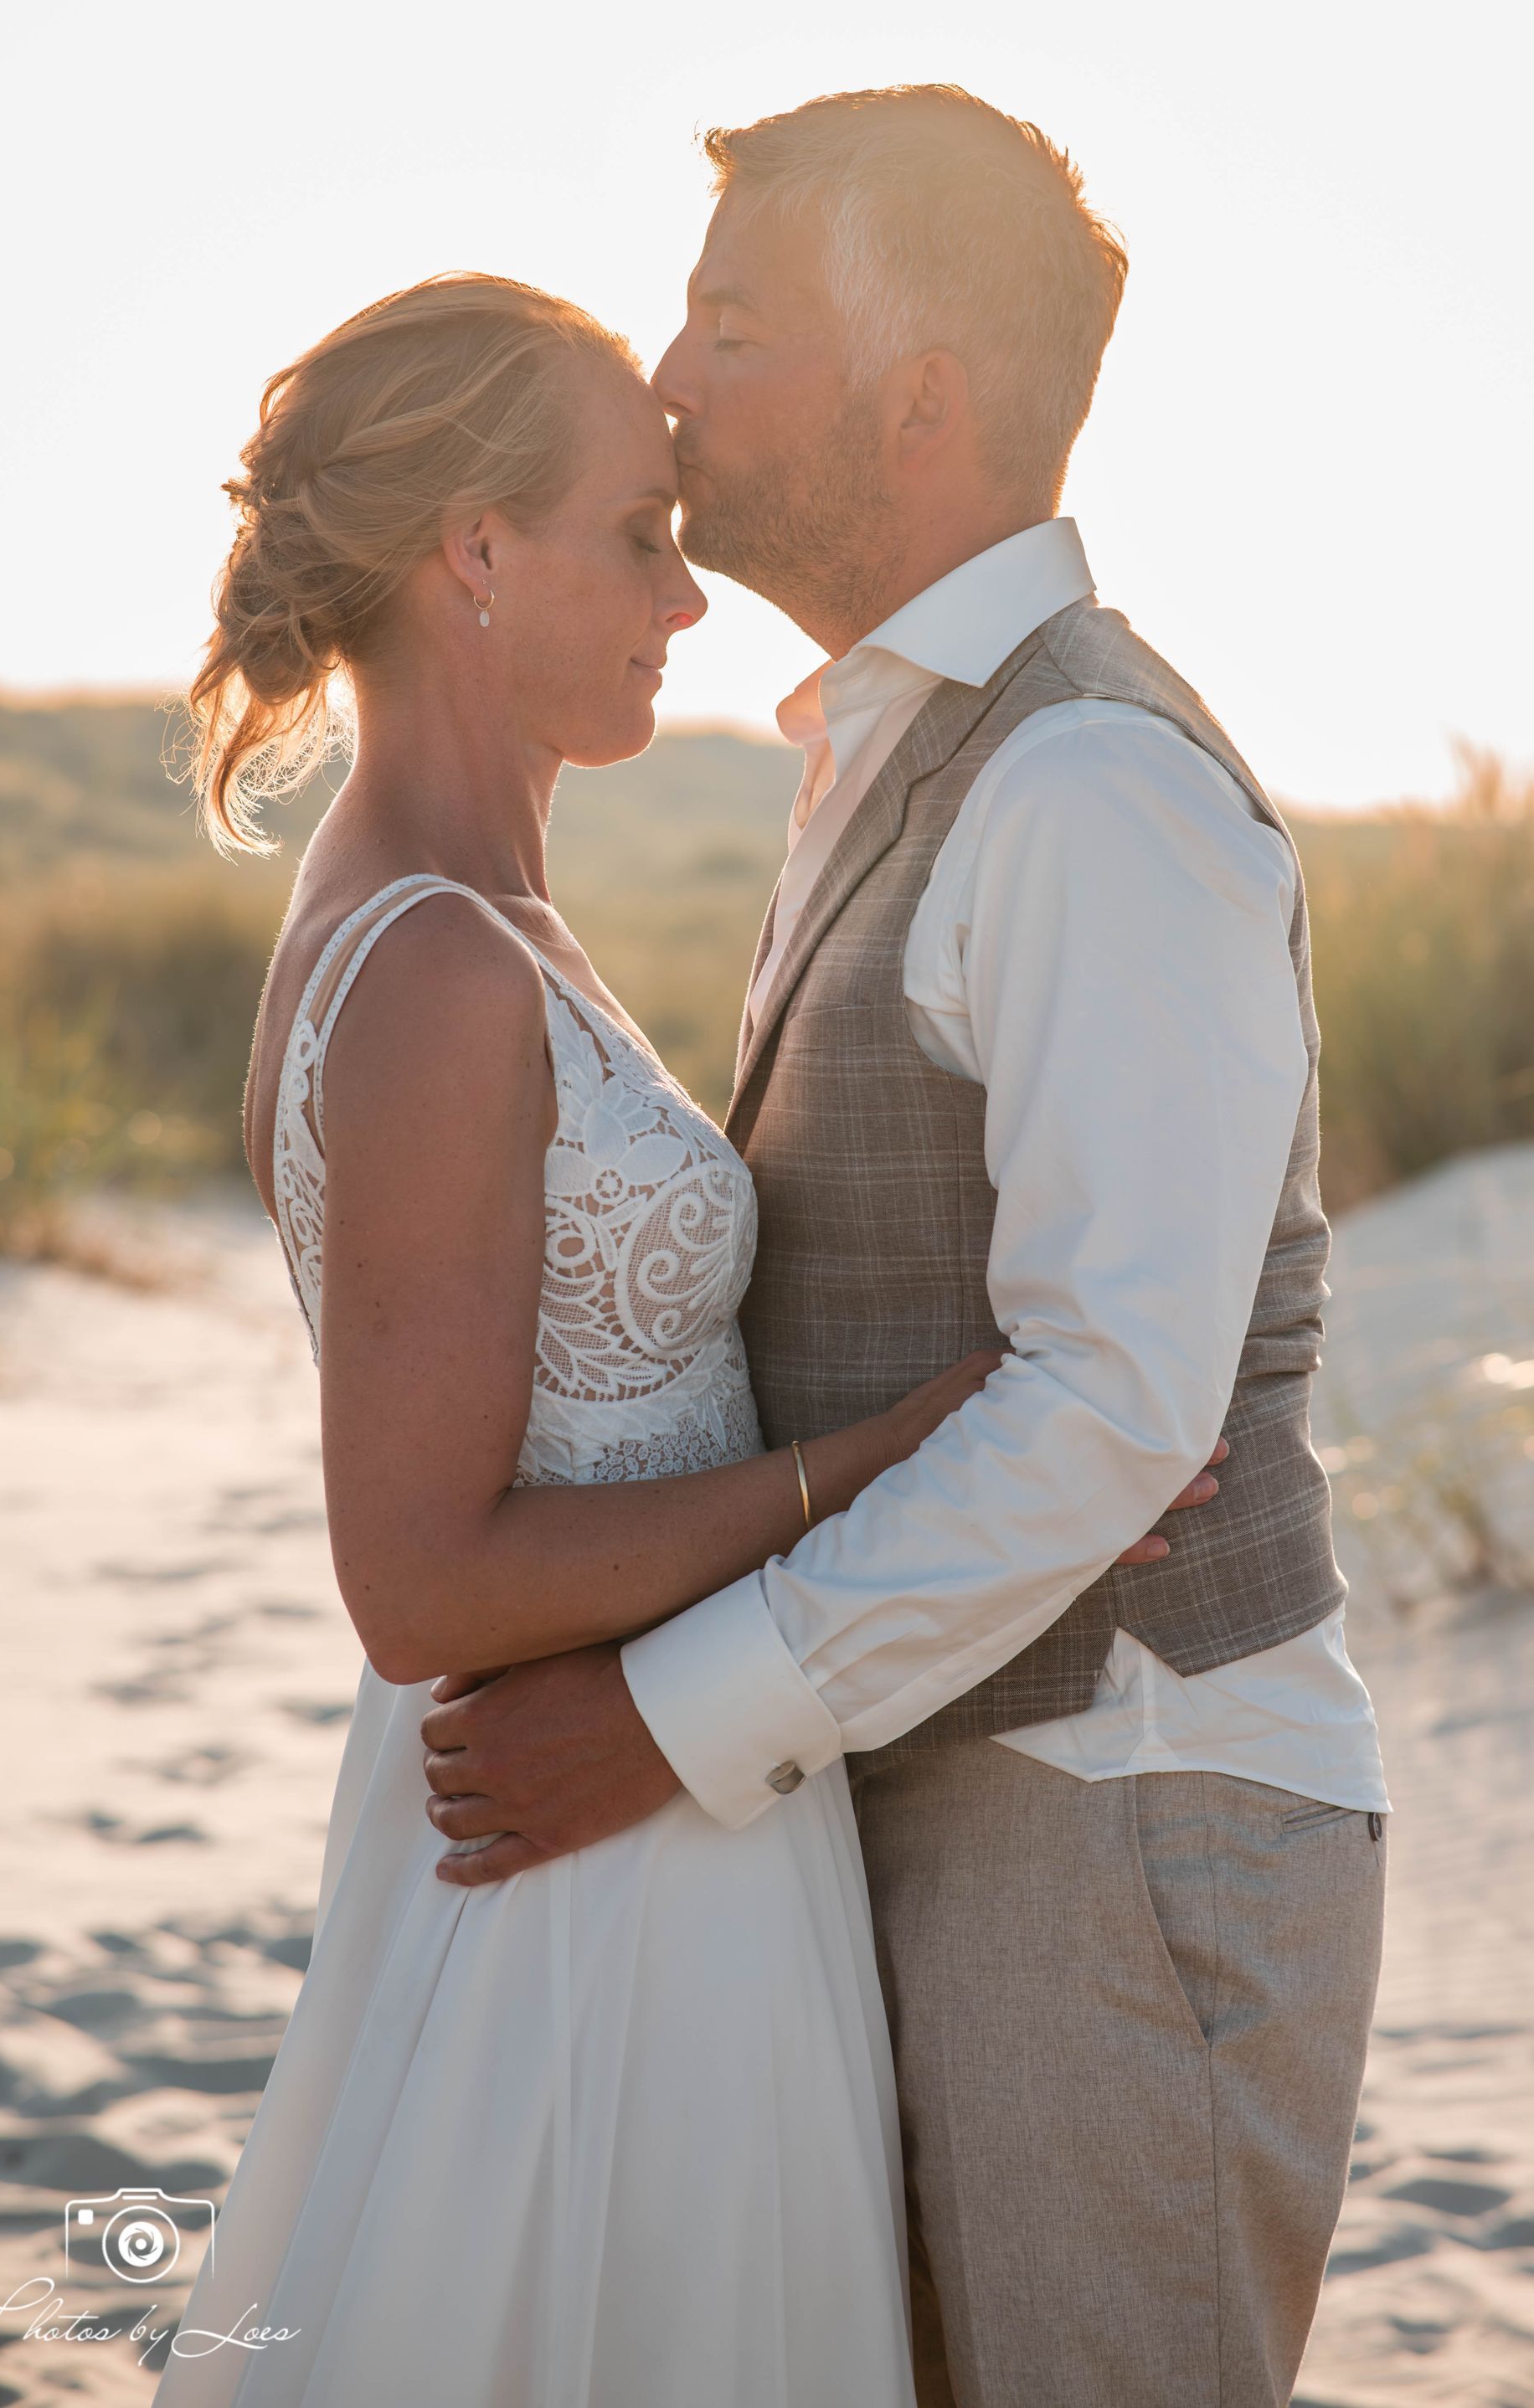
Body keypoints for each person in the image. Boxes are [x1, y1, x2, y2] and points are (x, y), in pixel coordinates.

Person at [152, 270, 1206, 2407]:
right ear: (473, 550)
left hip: (658, 1807)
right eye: (636, 531)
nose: (688, 595)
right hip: (588, 1871)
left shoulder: (466, 912)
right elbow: (420, 1578)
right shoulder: (439, 961)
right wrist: (903, 1446)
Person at [420, 89, 1390, 2408]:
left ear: (921, 400)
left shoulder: (1089, 788)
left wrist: (666, 1717)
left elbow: (1111, 1404)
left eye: (733, 327)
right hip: (986, 1803)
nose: (665, 375)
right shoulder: (905, 748)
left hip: (1122, 1825)